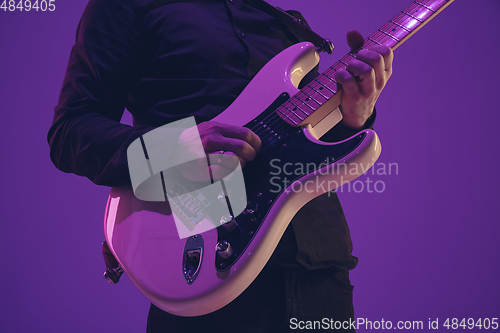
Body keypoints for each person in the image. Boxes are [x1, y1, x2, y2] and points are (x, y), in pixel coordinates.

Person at [48, 0, 393, 331]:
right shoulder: (130, 5)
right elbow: (70, 131)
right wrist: (180, 146)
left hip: (319, 268)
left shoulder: (285, 25)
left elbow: (310, 145)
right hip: (203, 262)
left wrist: (355, 114)